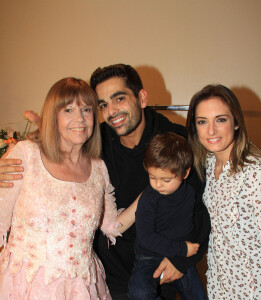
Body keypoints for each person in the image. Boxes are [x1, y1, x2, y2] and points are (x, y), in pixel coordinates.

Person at [0, 64, 211, 299]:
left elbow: (201, 211)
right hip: (96, 279)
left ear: (141, 98)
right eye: (102, 105)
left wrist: (182, 260)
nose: (111, 111)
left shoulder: (175, 141)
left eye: (119, 98)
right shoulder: (87, 147)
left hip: (159, 272)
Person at [0, 77, 137, 299]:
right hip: (26, 285)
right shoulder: (26, 154)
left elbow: (111, 225)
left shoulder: (98, 168)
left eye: (86, 110)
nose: (79, 119)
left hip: (81, 287)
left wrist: (151, 191)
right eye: (68, 110)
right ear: (53, 116)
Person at [186, 84, 261, 299]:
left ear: (236, 122)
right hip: (221, 288)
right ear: (195, 128)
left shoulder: (257, 177)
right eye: (202, 122)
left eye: (220, 119)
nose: (211, 130)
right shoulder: (209, 166)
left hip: (258, 291)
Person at [128, 132, 206, 300]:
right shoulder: (148, 199)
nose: (157, 184)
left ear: (185, 173)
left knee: (197, 295)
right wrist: (182, 249)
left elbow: (197, 222)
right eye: (152, 177)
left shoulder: (190, 192)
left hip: (178, 255)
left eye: (166, 180)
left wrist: (182, 253)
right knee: (139, 293)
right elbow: (145, 237)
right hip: (149, 256)